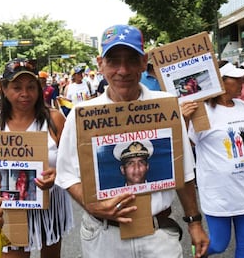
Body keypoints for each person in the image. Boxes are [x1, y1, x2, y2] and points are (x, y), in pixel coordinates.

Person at [55, 24, 209, 258]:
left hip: (158, 235)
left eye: (131, 60)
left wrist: (195, 222)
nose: (123, 70)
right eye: (114, 61)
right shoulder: (80, 114)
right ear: (100, 64)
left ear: (143, 61)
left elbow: (184, 172)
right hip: (104, 237)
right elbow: (66, 174)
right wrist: (91, 204)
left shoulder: (167, 106)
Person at [0, 58, 74, 258]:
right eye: (17, 87)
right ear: (4, 89)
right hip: (10, 207)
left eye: (31, 86)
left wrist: (57, 174)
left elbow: (75, 163)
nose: (25, 94)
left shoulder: (55, 119)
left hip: (49, 205)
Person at [181, 61, 244, 257]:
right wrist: (185, 119)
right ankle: (197, 253)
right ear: (219, 82)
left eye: (242, 79)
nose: (242, 82)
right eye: (235, 79)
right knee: (219, 244)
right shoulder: (201, 111)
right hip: (219, 194)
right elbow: (184, 148)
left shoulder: (242, 106)